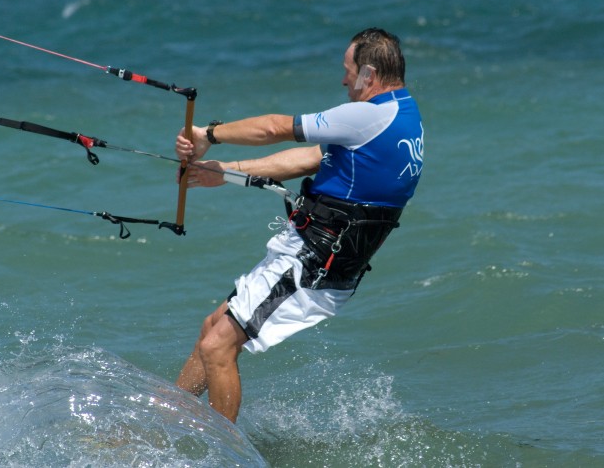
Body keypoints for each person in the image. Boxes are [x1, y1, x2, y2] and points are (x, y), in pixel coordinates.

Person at [173, 27, 424, 423]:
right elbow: (310, 159)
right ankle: (170, 417)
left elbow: (274, 127)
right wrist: (226, 173)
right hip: (311, 253)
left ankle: (221, 453)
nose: (343, 80)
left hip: (314, 265)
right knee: (213, 328)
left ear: (368, 75)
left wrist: (209, 135)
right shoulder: (402, 114)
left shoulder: (366, 117)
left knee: (218, 346)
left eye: (348, 71)